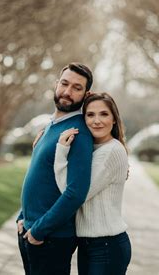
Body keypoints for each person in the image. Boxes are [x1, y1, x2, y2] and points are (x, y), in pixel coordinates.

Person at [16, 63, 94, 275]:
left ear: (86, 95)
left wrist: (39, 231)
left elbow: (76, 192)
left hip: (52, 237)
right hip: (31, 230)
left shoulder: (78, 133)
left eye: (77, 88)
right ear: (56, 84)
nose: (67, 92)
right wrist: (22, 217)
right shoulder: (50, 126)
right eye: (64, 84)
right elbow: (41, 177)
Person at [54, 92, 131, 275]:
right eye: (90, 114)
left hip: (106, 245)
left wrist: (61, 151)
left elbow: (71, 193)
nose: (97, 120)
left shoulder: (111, 151)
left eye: (104, 114)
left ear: (114, 119)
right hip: (89, 244)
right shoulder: (92, 149)